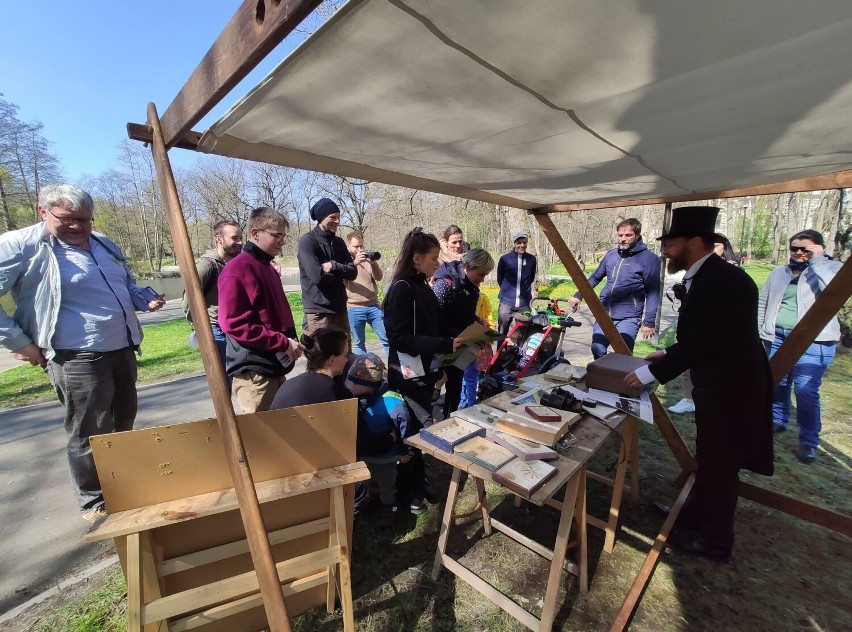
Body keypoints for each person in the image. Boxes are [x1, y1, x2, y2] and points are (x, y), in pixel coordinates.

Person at [0, 183, 166, 522]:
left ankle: (125, 487)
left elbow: (126, 284)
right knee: (89, 429)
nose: (78, 226)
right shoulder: (20, 246)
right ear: (42, 211)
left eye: (86, 219)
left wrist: (143, 298)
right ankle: (94, 501)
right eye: (68, 218)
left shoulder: (103, 242)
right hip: (75, 356)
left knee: (123, 422)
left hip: (122, 348)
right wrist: (20, 343)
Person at [624, 206, 773, 561]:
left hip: (732, 391)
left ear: (694, 242)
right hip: (717, 388)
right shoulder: (706, 278)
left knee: (721, 466)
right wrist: (669, 353)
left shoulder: (725, 281)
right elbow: (704, 336)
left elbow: (707, 340)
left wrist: (650, 374)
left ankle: (715, 542)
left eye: (671, 243)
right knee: (709, 459)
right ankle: (692, 516)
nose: (665, 250)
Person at [383, 227, 459, 514]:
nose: (437, 263)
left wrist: (463, 336)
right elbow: (399, 338)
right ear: (416, 257)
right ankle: (407, 490)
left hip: (425, 371)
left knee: (418, 430)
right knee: (410, 432)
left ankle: (418, 479)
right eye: (433, 258)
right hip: (406, 374)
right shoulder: (401, 289)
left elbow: (436, 326)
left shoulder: (423, 287)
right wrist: (444, 343)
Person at [758, 229, 842, 464]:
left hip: (814, 340)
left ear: (818, 248)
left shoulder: (831, 269)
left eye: (804, 249)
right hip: (777, 336)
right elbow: (764, 301)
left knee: (805, 390)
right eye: (794, 248)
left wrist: (817, 262)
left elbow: (835, 291)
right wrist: (762, 331)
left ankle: (809, 440)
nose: (798, 253)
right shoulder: (779, 272)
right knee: (777, 383)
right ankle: (777, 420)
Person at [218, 207, 302, 413]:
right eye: (276, 235)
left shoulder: (266, 266)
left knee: (281, 432)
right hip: (254, 374)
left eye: (284, 236)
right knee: (262, 437)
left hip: (273, 364)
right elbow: (234, 323)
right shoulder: (238, 270)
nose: (282, 242)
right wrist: (282, 342)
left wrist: (288, 342)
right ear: (255, 233)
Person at [569, 218, 661, 358]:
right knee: (597, 348)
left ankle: (619, 379)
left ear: (637, 235)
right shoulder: (612, 255)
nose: (623, 239)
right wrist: (578, 295)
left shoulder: (649, 259)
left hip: (629, 317)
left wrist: (649, 321)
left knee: (623, 354)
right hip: (604, 313)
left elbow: (653, 292)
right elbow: (595, 278)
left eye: (628, 235)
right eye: (620, 235)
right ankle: (604, 377)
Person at [668, 232, 738, 414]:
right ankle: (689, 398)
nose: (667, 251)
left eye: (716, 246)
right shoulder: (698, 273)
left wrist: (653, 371)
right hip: (695, 340)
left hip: (717, 352)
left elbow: (709, 329)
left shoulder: (728, 276)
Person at [345, 353, 411, 527]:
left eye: (354, 382)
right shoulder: (355, 398)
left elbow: (403, 425)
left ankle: (389, 505)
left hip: (385, 455)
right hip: (365, 453)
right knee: (368, 479)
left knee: (386, 482)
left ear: (367, 385)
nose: (350, 385)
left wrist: (405, 451)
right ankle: (373, 496)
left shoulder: (390, 401)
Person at [433, 248, 495, 418]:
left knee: (456, 386)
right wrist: (451, 337)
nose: (482, 280)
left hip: (461, 345)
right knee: (435, 387)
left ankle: (451, 419)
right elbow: (432, 317)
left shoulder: (473, 287)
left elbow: (463, 313)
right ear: (467, 266)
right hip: (442, 344)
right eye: (480, 274)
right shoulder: (445, 284)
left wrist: (477, 321)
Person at [182, 220, 243, 389]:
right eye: (234, 238)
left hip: (235, 327)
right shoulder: (207, 266)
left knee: (241, 376)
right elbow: (189, 301)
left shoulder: (237, 262)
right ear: (219, 239)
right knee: (223, 382)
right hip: (216, 330)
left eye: (241, 237)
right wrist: (198, 329)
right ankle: (225, 415)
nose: (240, 242)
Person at [298, 198, 363, 339]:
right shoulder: (308, 241)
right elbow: (318, 277)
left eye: (339, 217)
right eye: (332, 217)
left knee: (344, 357)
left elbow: (353, 273)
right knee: (322, 359)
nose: (337, 221)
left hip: (340, 311)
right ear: (321, 217)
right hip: (319, 313)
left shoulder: (338, 242)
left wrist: (334, 265)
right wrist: (341, 275)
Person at [269, 328, 351, 409]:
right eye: (345, 355)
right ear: (331, 360)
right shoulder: (335, 391)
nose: (347, 360)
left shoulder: (287, 385)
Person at [344, 230, 389, 354]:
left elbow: (379, 277)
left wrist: (373, 263)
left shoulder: (367, 260)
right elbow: (342, 276)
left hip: (373, 306)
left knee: (387, 338)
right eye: (356, 246)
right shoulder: (345, 261)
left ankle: (395, 369)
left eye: (361, 246)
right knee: (359, 343)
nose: (359, 249)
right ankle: (363, 372)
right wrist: (355, 263)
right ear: (348, 246)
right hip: (354, 308)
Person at [496, 230, 537, 335]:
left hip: (524, 303)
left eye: (524, 242)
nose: (522, 245)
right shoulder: (504, 259)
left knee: (523, 332)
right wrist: (509, 292)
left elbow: (531, 278)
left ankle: (518, 351)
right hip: (506, 302)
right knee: (502, 332)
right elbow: (500, 278)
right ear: (514, 243)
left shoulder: (531, 259)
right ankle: (502, 351)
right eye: (519, 243)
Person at [460, 291, 494, 409]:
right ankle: (471, 404)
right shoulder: (476, 297)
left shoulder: (480, 297)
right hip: (473, 339)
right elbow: (488, 316)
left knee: (465, 375)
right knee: (471, 376)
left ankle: (463, 402)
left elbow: (489, 315)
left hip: (468, 338)